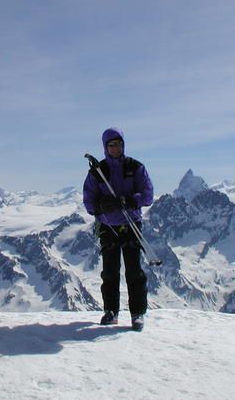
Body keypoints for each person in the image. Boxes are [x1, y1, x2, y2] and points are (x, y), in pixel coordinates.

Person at [82, 127, 154, 331]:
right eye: (112, 145)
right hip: (108, 227)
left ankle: (137, 313)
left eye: (119, 144)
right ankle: (111, 312)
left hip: (131, 223)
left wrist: (130, 200)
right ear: (106, 147)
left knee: (134, 271)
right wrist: (102, 206)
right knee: (110, 272)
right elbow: (89, 200)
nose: (116, 148)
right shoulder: (98, 172)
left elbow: (147, 195)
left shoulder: (135, 167)